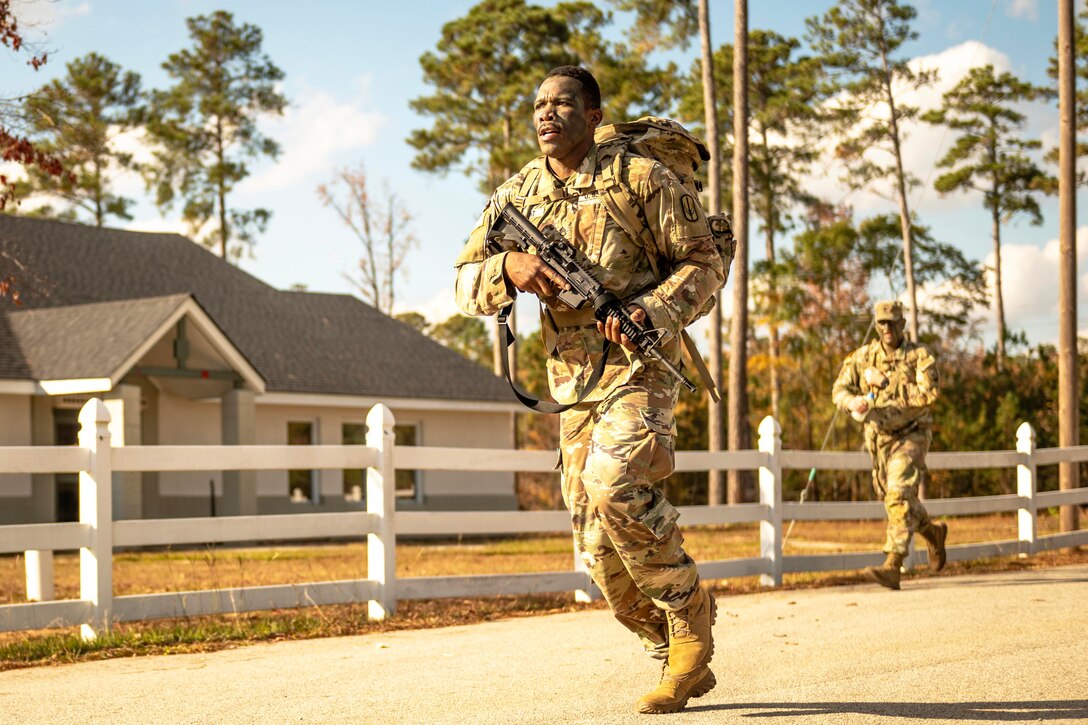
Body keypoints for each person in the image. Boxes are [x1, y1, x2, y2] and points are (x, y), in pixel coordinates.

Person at [454, 66, 725, 714]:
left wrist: (650, 313)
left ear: (594, 115)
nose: (547, 114)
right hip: (572, 383)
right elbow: (463, 280)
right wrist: (507, 267)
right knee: (596, 553)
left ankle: (690, 615)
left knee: (615, 483)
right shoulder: (518, 192)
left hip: (641, 365)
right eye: (540, 105)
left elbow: (704, 262)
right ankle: (670, 651)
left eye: (564, 103)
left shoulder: (638, 177)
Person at [832, 300, 948, 590]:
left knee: (898, 494)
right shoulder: (863, 357)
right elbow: (839, 389)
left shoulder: (919, 356)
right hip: (879, 440)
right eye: (882, 322)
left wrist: (888, 382)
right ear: (876, 324)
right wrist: (852, 401)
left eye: (892, 322)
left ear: (902, 324)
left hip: (912, 434)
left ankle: (892, 565)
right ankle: (933, 533)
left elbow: (929, 393)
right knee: (896, 499)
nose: (887, 328)